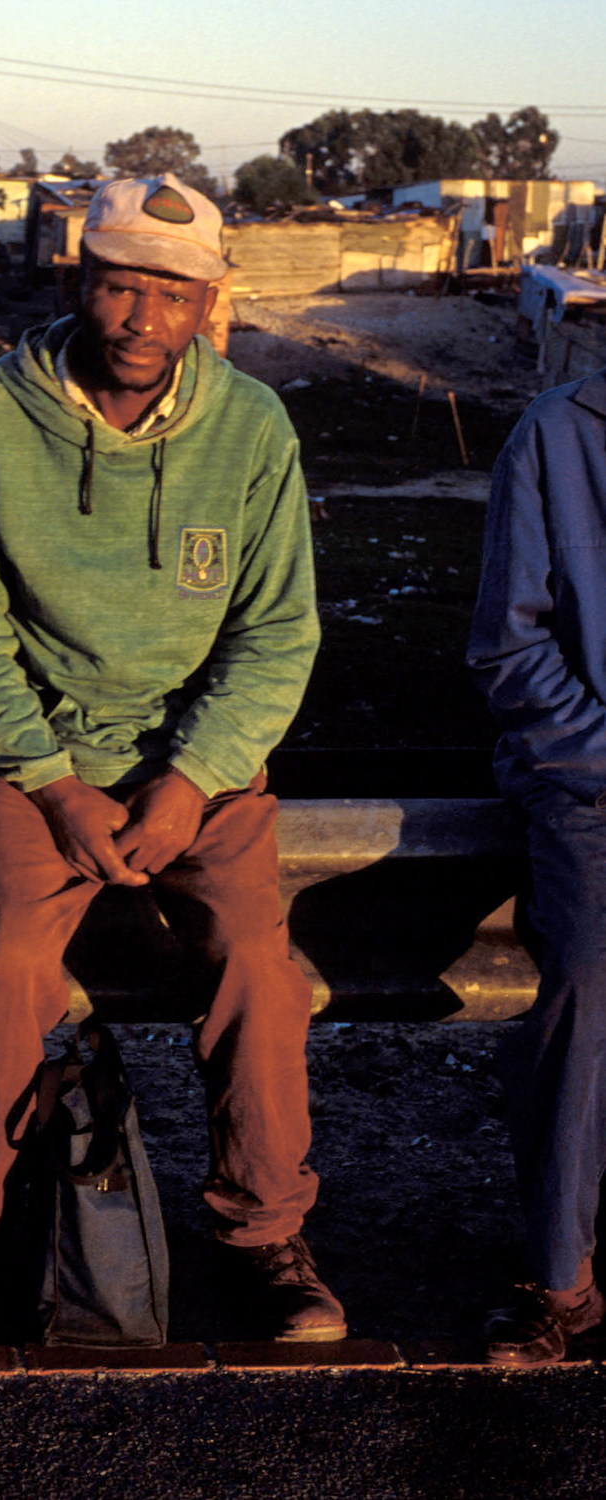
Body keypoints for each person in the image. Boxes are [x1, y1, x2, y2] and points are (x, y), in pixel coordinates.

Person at [0, 173, 344, 1343]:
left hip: (196, 771)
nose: (140, 317)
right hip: (37, 759)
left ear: (209, 303)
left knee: (259, 973)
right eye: (117, 286)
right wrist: (50, 784)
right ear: (78, 284)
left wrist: (189, 779)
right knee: (4, 978)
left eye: (171, 292)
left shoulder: (250, 426)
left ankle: (264, 1237)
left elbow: (274, 633)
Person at [467, 368, 605, 1368]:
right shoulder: (556, 434)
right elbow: (508, 652)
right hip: (588, 780)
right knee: (589, 978)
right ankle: (559, 1278)